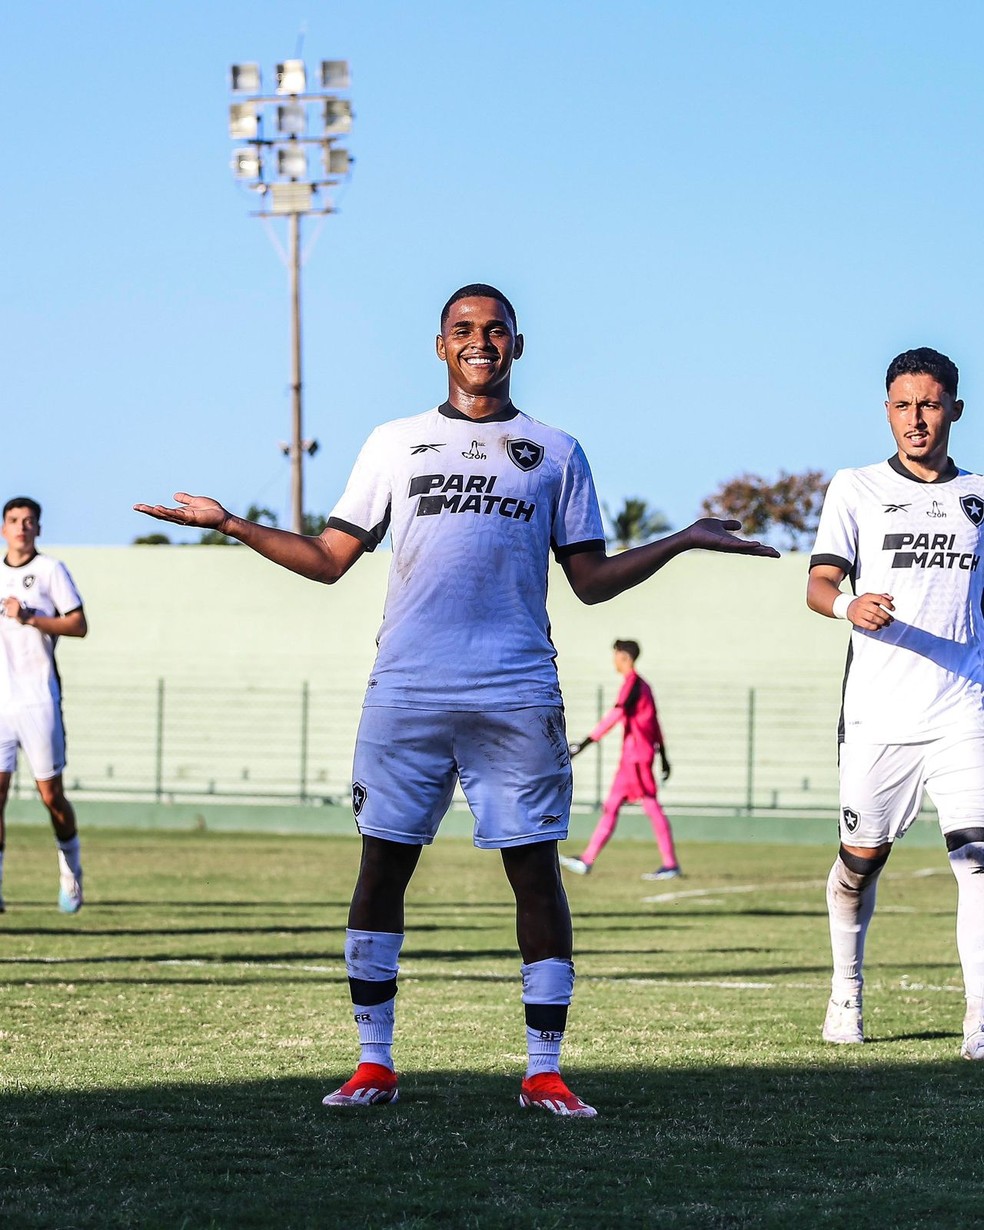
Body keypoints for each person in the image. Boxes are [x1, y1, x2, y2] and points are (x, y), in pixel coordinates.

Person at [135, 284, 778, 1116]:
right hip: (406, 690)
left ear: (518, 344)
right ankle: (374, 1063)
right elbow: (332, 558)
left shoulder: (555, 451)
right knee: (381, 868)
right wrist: (232, 525)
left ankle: (543, 1068)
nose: (481, 342)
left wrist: (684, 540)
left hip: (516, 694)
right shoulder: (396, 443)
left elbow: (589, 581)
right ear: (440, 345)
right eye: (464, 330)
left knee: (536, 873)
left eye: (495, 330)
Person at [808, 346, 984, 1059]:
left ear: (955, 410)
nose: (917, 419)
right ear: (887, 411)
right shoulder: (854, 488)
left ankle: (979, 1021)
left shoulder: (979, 495)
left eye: (931, 404)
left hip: (963, 710)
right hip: (878, 717)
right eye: (904, 405)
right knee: (860, 862)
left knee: (978, 861)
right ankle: (846, 993)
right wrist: (852, 604)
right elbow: (818, 585)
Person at [0, 497, 88, 914]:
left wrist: (31, 617)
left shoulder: (50, 571)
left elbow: (78, 624)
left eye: (29, 521)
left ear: (38, 529)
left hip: (39, 698)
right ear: (3, 528)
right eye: (14, 520)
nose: (22, 527)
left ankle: (71, 872)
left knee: (51, 796)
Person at [560, 639, 680, 879]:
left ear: (625, 657)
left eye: (616, 655)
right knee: (612, 806)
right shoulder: (643, 686)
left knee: (651, 805)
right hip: (633, 757)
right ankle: (587, 859)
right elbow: (654, 723)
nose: (613, 660)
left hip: (636, 758)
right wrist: (664, 757)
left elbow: (617, 714)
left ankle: (670, 864)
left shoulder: (634, 684)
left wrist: (584, 743)